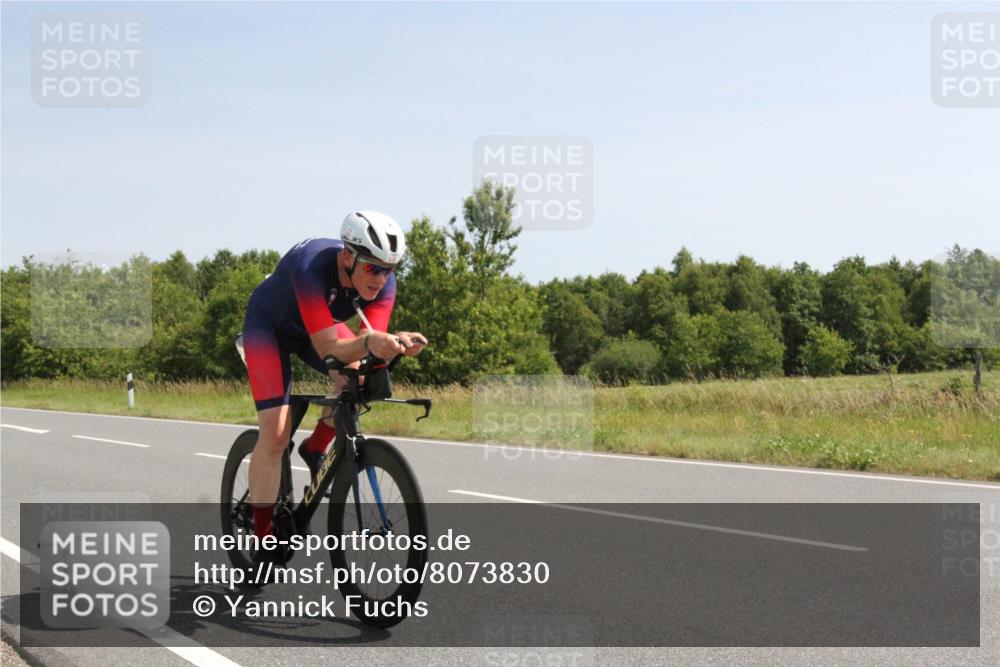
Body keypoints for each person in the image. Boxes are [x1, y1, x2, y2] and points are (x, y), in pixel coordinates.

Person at [240, 211, 426, 542]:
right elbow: (329, 347)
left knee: (357, 379)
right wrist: (371, 342)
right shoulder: (310, 266)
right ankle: (263, 536)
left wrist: (394, 345)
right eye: (373, 268)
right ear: (346, 258)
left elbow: (370, 346)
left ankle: (315, 448)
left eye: (390, 270)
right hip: (269, 328)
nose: (381, 279)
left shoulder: (383, 284)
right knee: (276, 434)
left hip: (317, 329)